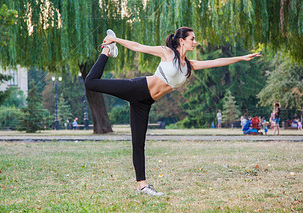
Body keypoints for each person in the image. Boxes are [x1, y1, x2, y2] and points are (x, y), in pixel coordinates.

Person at [84, 27, 261, 196]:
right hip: (137, 88)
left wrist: (242, 58)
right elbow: (138, 47)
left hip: (145, 103)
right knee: (90, 82)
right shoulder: (167, 53)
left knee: (139, 144)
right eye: (192, 39)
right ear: (182, 41)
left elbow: (215, 62)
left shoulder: (189, 66)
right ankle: (107, 50)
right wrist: (114, 39)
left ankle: (142, 186)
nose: (195, 42)